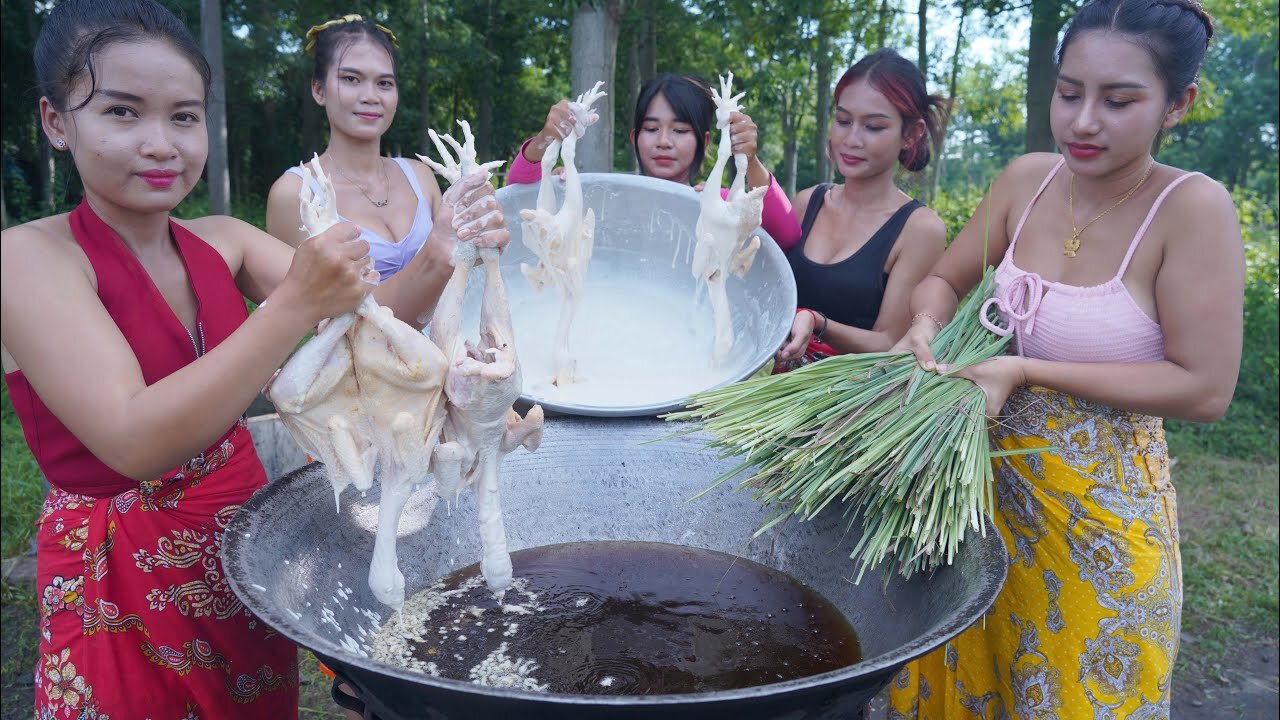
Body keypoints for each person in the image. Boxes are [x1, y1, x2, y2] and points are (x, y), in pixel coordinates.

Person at [0, 1, 507, 717]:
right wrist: (296, 305)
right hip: (116, 571)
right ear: (56, 121)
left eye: (183, 116)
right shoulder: (28, 258)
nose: (160, 144)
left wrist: (441, 250)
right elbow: (132, 437)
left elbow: (379, 317)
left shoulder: (222, 239)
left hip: (238, 547)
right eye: (121, 112)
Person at [888, 0, 1240, 716]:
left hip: (1100, 527)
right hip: (973, 510)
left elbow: (1204, 389)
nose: (1083, 121)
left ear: (1179, 105)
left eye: (1119, 100)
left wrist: (1024, 369)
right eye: (1070, 93)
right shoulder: (1029, 179)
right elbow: (946, 278)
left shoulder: (1191, 209)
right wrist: (922, 327)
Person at [267, 15, 474, 318]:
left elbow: (459, 276)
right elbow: (316, 316)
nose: (370, 96)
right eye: (351, 79)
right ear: (318, 89)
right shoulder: (295, 194)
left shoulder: (419, 175)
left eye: (384, 83)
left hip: (451, 351)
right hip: (356, 362)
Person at [774, 49, 948, 371]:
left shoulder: (919, 229)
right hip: (772, 394)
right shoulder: (807, 202)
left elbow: (889, 342)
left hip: (852, 402)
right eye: (843, 121)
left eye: (874, 127)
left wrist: (817, 322)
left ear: (911, 135)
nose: (851, 139)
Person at [507, 73, 795, 243]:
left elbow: (787, 235)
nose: (664, 141)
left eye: (680, 130)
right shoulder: (605, 199)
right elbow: (518, 194)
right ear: (635, 137)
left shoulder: (718, 204)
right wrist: (547, 138)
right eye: (652, 128)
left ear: (704, 142)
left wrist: (750, 161)